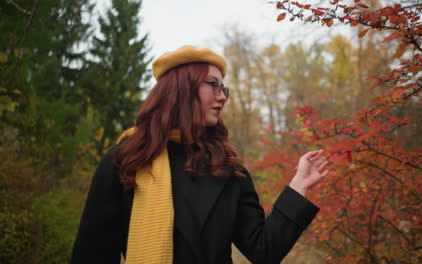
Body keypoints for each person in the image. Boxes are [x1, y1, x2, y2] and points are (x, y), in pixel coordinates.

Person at [71, 45, 330, 264]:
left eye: (224, 89)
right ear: (182, 88)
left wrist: (299, 185)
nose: (223, 97)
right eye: (214, 85)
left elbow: (264, 250)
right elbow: (92, 254)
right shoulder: (126, 160)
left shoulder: (228, 168)